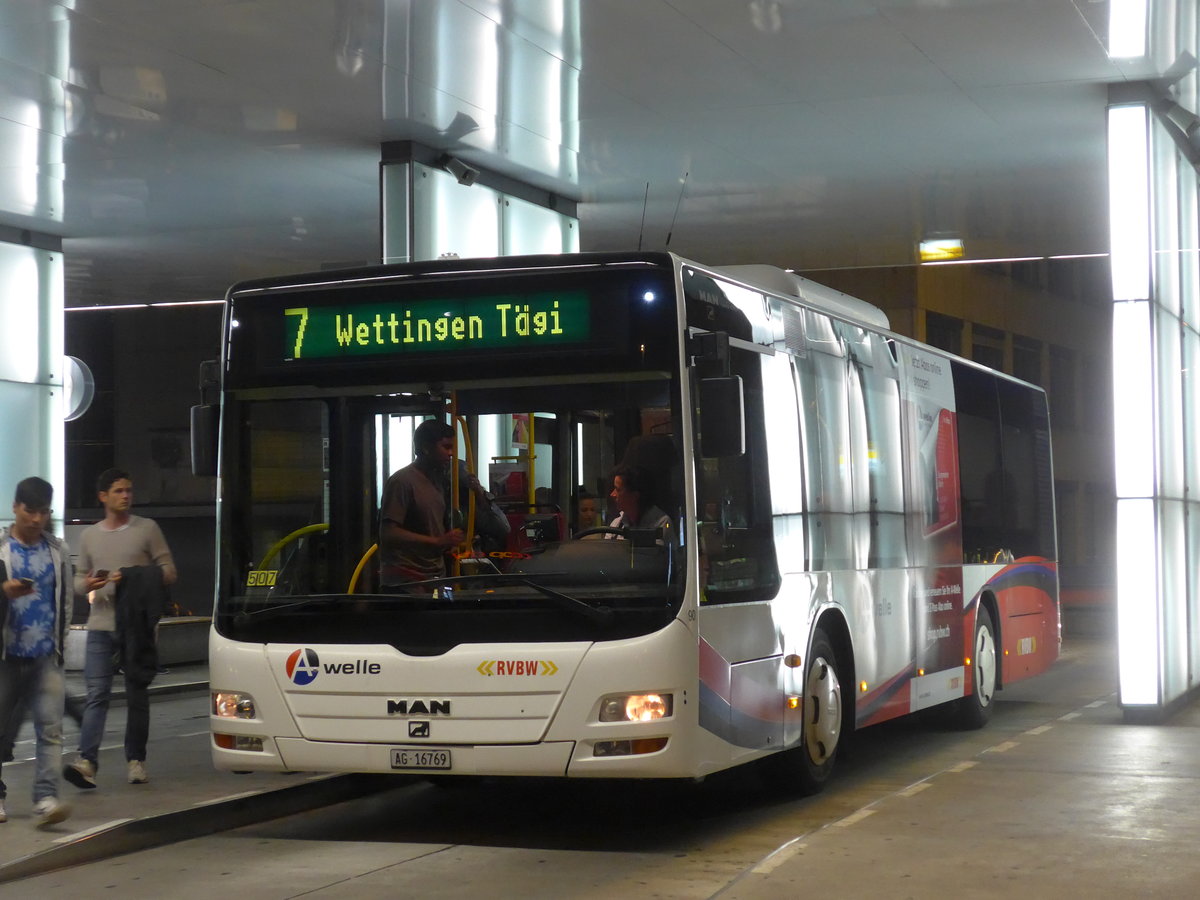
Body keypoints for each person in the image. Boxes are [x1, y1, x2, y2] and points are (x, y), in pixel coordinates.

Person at [64, 468, 176, 790]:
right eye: (118, 491)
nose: (125, 495)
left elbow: (168, 572)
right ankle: (87, 762)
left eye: (128, 490)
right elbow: (77, 580)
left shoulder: (147, 529)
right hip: (100, 624)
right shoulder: (89, 535)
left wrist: (131, 575)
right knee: (97, 694)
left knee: (136, 694)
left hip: (136, 626)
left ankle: (136, 760)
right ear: (103, 497)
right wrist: (87, 582)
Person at [0, 476, 73, 826]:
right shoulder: (0, 547)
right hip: (5, 655)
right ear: (15, 507)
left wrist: (62, 647)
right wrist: (4, 591)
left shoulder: (57, 550)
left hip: (46, 655)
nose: (36, 519)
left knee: (51, 729)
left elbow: (66, 602)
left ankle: (45, 797)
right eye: (30, 511)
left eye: (43, 512)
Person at [379, 419, 507, 583]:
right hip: (408, 579)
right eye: (446, 447)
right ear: (425, 448)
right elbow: (388, 533)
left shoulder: (438, 481)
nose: (451, 453)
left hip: (434, 576)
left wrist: (450, 543)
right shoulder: (402, 482)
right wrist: (437, 541)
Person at [607, 464, 671, 535]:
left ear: (635, 496)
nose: (612, 494)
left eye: (618, 490)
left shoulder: (662, 524)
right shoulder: (616, 524)